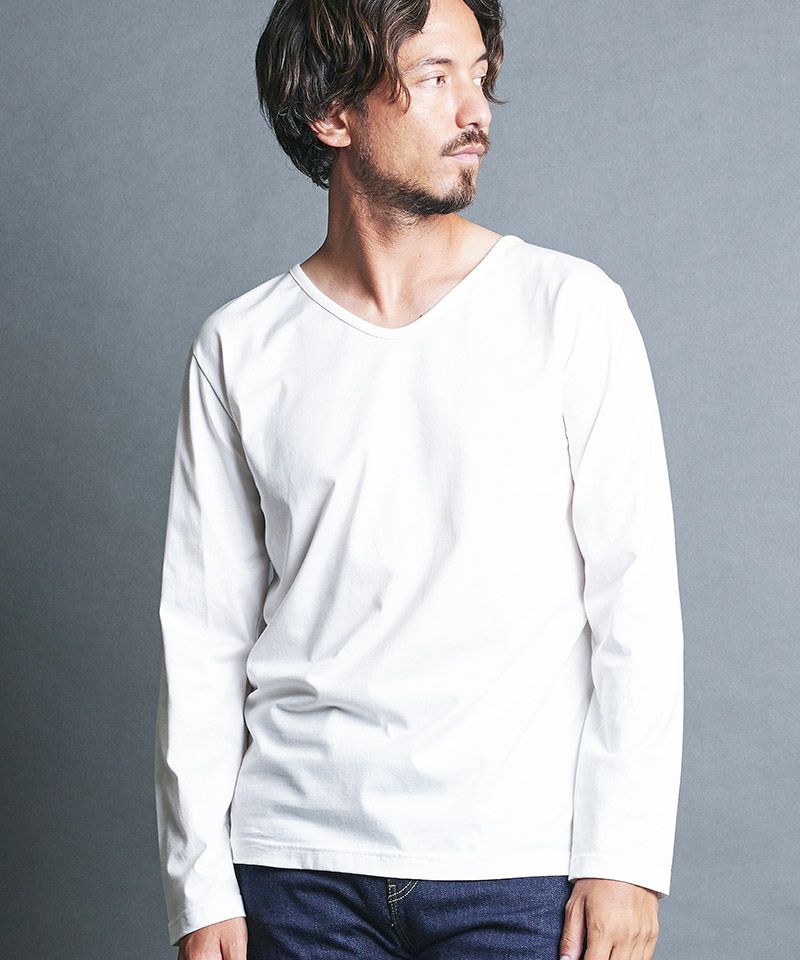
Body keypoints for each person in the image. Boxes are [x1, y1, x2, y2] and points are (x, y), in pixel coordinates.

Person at [154, 0, 685, 957]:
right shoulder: (241, 346)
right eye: (436, 78)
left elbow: (635, 601)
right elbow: (202, 633)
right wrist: (199, 889)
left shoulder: (569, 309)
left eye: (480, 76)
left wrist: (627, 855)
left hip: (517, 868)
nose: (475, 111)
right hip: (294, 869)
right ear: (333, 113)